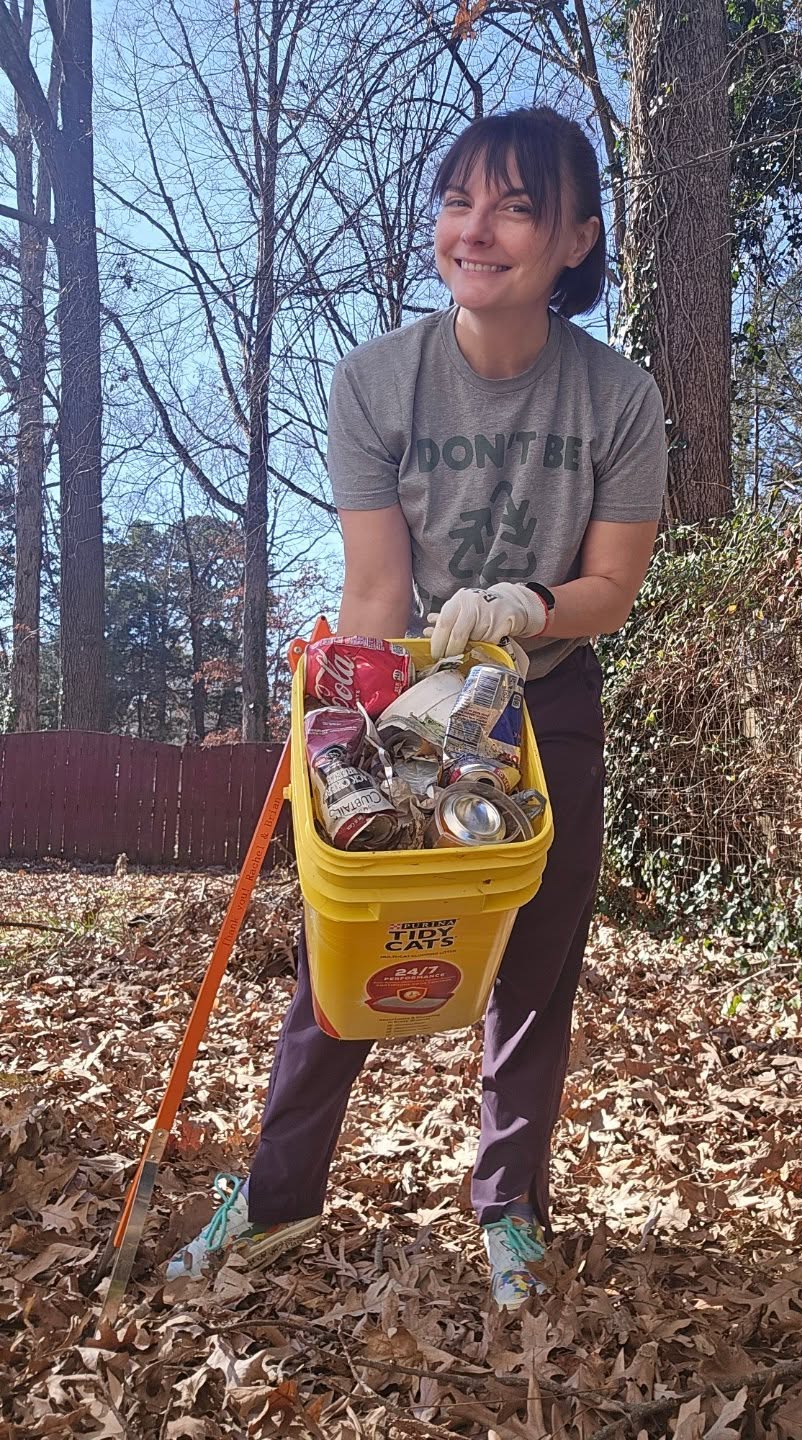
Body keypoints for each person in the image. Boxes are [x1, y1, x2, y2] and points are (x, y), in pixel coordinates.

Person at [166, 105, 668, 1310]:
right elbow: (379, 584)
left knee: (535, 967)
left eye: (514, 206)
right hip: (405, 694)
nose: (474, 229)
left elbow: (614, 588)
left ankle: (510, 1211)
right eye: (458, 200)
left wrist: (523, 606)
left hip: (548, 704)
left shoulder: (620, 399)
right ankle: (277, 1196)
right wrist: (343, 718)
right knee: (349, 943)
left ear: (576, 240)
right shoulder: (377, 381)